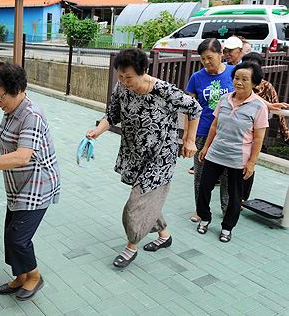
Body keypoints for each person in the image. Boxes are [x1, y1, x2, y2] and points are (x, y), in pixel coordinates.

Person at [86, 48, 201, 268]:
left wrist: (189, 139)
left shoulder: (163, 91)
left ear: (143, 71)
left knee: (136, 204)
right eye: (120, 76)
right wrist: (97, 132)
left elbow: (194, 108)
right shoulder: (122, 88)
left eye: (129, 76)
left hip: (160, 158)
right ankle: (164, 236)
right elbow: (112, 114)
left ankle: (131, 247)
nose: (124, 80)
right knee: (148, 200)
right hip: (135, 154)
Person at [0, 62, 60, 300]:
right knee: (9, 234)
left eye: (0, 96)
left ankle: (34, 276)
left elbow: (23, 156)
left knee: (18, 238)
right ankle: (21, 277)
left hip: (37, 185)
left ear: (18, 89)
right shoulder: (11, 110)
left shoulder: (31, 114)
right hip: (18, 185)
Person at [196, 61, 269, 242]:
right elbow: (214, 125)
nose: (239, 82)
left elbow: (259, 138)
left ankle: (227, 227)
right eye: (237, 78)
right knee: (204, 188)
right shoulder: (225, 99)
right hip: (215, 153)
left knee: (235, 196)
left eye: (245, 79)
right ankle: (205, 217)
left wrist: (252, 162)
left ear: (255, 83)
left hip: (239, 159)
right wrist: (206, 147)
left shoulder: (259, 107)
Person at [185, 38, 233, 222]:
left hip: (227, 133)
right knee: (201, 175)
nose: (206, 62)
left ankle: (227, 209)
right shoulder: (196, 78)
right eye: (203, 58)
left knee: (227, 176)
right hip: (203, 131)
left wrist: (268, 104)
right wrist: (188, 137)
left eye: (210, 57)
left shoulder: (232, 72)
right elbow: (188, 107)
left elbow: (249, 95)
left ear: (221, 54)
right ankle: (201, 210)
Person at [244, 52, 289, 143]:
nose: (249, 70)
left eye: (253, 67)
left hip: (256, 125)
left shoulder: (266, 86)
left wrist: (285, 134)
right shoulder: (237, 82)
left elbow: (277, 110)